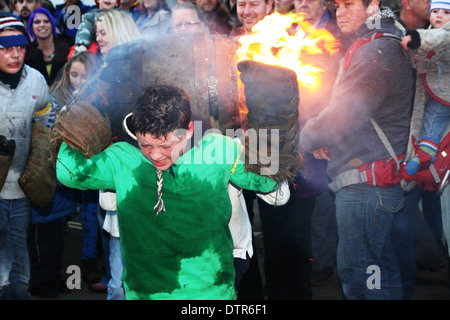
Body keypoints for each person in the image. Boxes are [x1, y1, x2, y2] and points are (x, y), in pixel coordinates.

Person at [55, 81, 284, 299]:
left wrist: (275, 132)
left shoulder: (219, 151)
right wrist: (76, 119)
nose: (155, 155)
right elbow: (69, 174)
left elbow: (266, 182)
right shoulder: (123, 159)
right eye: (145, 144)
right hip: (145, 294)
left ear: (190, 130)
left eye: (166, 146)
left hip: (209, 294)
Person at [299, 0, 415, 300]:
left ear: (373, 5)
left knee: (363, 277)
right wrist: (328, 138)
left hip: (367, 184)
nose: (340, 12)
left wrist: (307, 137)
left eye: (349, 4)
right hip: (370, 181)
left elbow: (344, 115)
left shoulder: (377, 49)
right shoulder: (379, 42)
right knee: (380, 271)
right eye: (336, 5)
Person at [0, 12, 52, 300]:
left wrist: (41, 157)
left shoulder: (36, 81)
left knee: (19, 261)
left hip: (21, 187)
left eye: (20, 47)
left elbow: (47, 118)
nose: (15, 54)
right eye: (6, 48)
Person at [90, 8, 141, 299]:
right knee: (119, 281)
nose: (99, 38)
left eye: (104, 31)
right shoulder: (107, 72)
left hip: (139, 190)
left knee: (125, 284)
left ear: (120, 31)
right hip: (113, 189)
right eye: (97, 32)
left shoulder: (134, 74)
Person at [48, 50, 104, 289]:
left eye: (85, 76)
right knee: (61, 215)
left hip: (90, 166)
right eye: (74, 75)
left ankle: (89, 260)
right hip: (64, 165)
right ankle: (55, 265)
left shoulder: (100, 97)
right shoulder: (56, 96)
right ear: (67, 74)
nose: (79, 81)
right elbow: (50, 129)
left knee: (90, 214)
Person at [402, 0, 450, 177]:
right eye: (435, 11)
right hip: (436, 90)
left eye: (446, 13)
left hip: (444, 95)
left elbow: (437, 39)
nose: (439, 15)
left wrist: (415, 38)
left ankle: (426, 152)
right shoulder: (432, 31)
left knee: (434, 117)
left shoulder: (443, 34)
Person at [26, 7, 71, 86]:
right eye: (37, 22)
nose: (42, 25)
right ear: (31, 27)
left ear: (52, 24)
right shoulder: (28, 54)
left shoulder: (67, 47)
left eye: (46, 21)